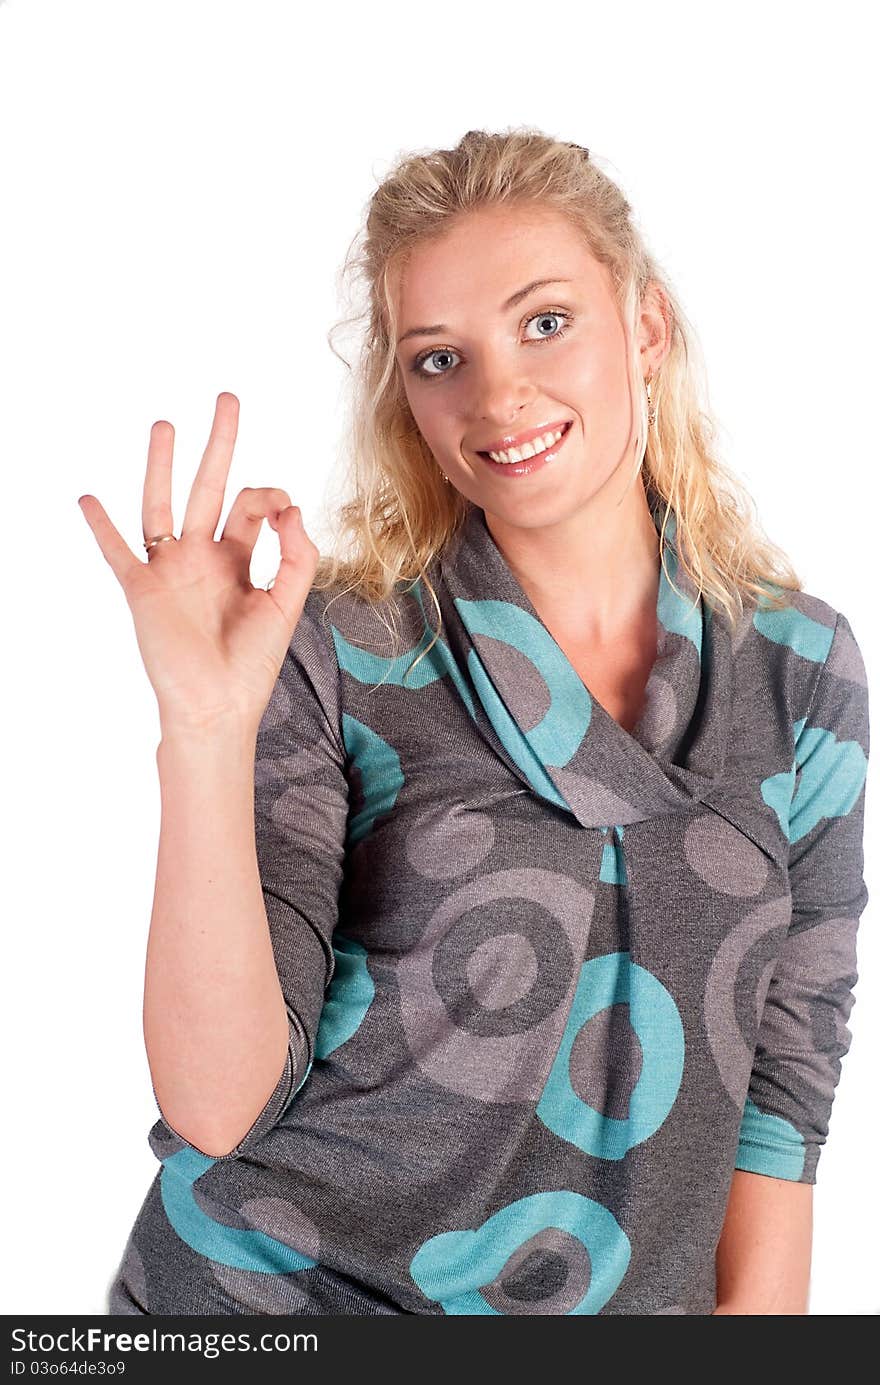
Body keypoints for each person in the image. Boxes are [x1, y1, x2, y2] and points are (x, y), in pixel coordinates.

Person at [80, 129, 870, 1316]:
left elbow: (781, 1093)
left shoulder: (797, 670)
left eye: (545, 322)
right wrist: (204, 726)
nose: (498, 396)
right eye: (439, 357)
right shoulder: (339, 646)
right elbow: (216, 1102)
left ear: (644, 329)